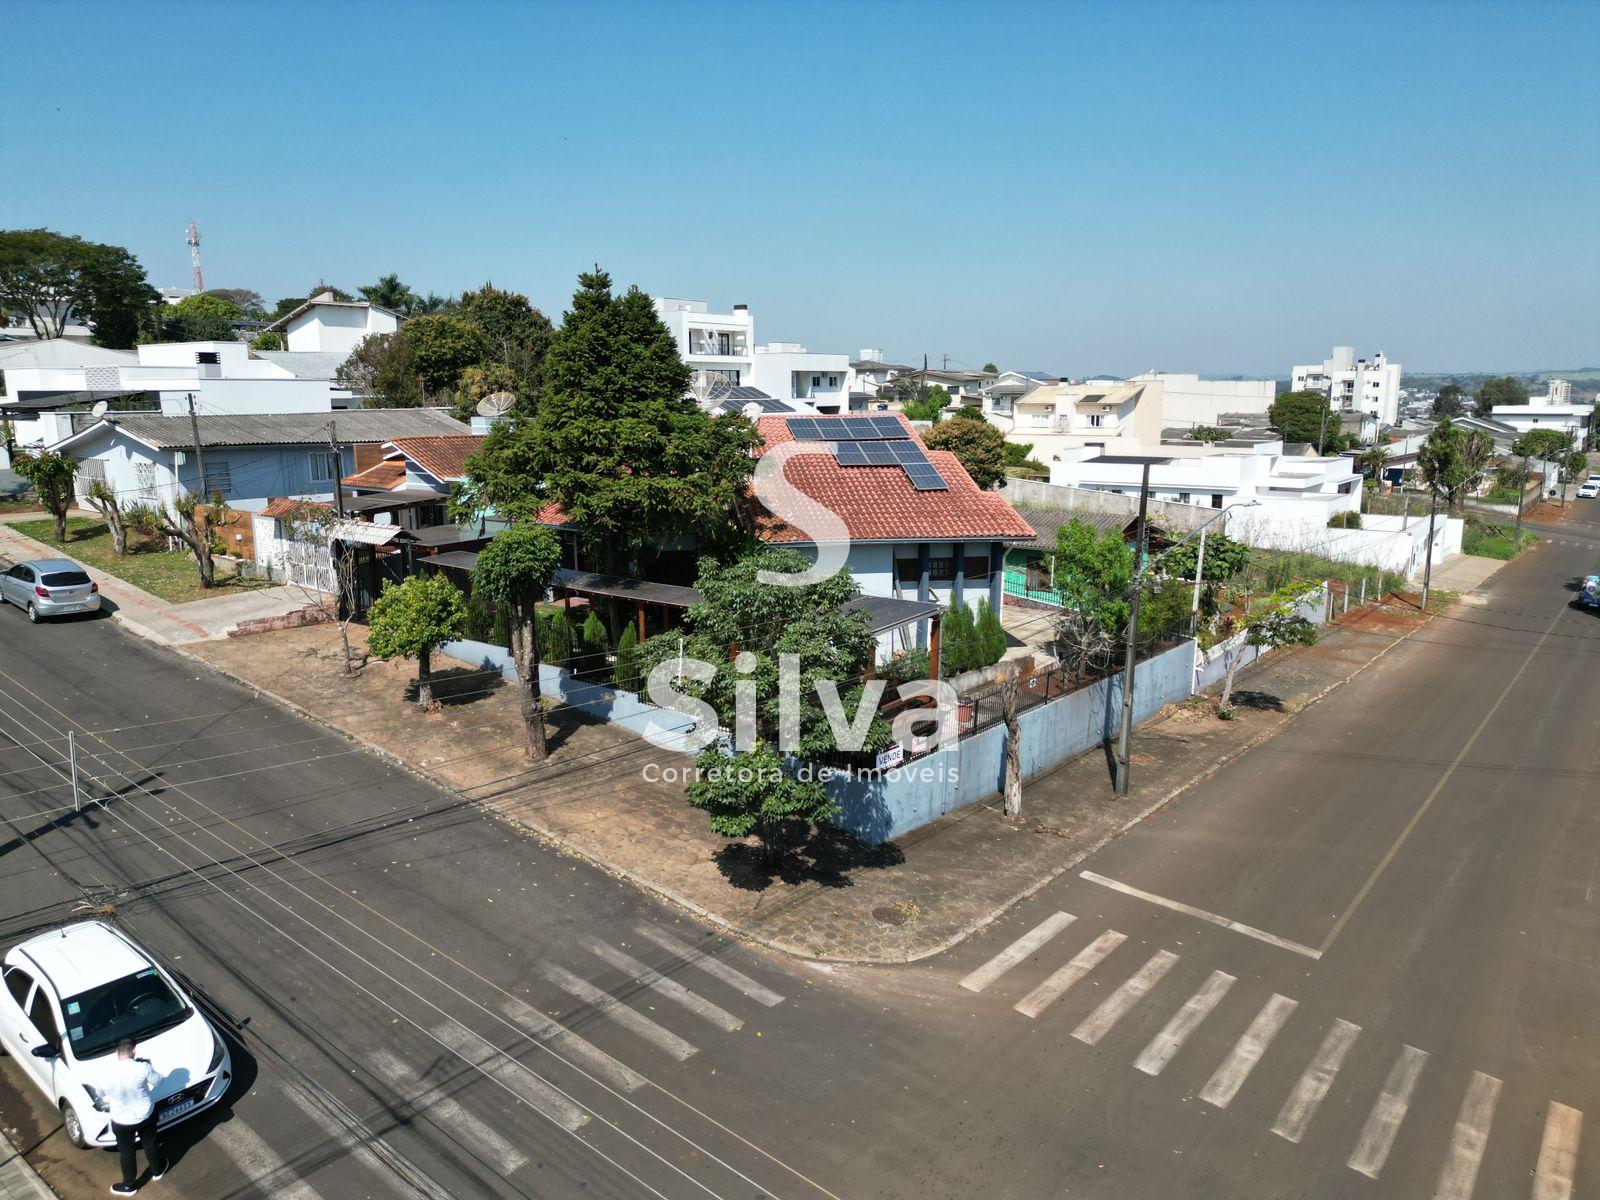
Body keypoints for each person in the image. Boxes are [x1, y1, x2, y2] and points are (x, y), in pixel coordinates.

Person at [98, 1038, 165, 1195]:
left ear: (117, 1053)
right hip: (145, 1115)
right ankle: (157, 1170)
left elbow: (100, 1093)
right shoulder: (143, 1067)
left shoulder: (106, 1072)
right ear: (134, 1051)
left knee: (126, 1151)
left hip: (121, 1120)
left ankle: (129, 1185)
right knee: (150, 1142)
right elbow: (159, 1082)